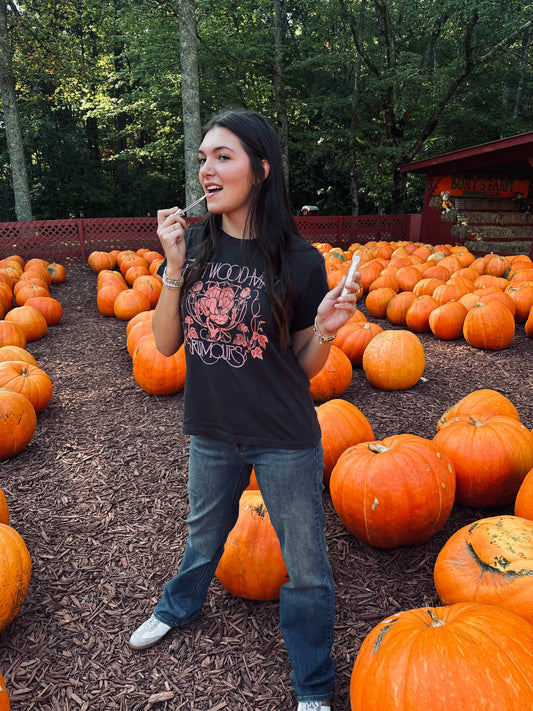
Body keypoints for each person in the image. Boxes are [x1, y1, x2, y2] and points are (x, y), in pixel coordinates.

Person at [128, 107, 361, 711]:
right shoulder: (195, 245)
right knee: (203, 539)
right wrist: (175, 265)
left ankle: (312, 683)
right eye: (203, 157)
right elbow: (165, 343)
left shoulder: (300, 260)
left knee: (306, 566)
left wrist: (328, 329)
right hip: (210, 431)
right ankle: (177, 607)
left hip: (285, 438)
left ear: (259, 169)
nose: (206, 168)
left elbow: (304, 363)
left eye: (222, 156)